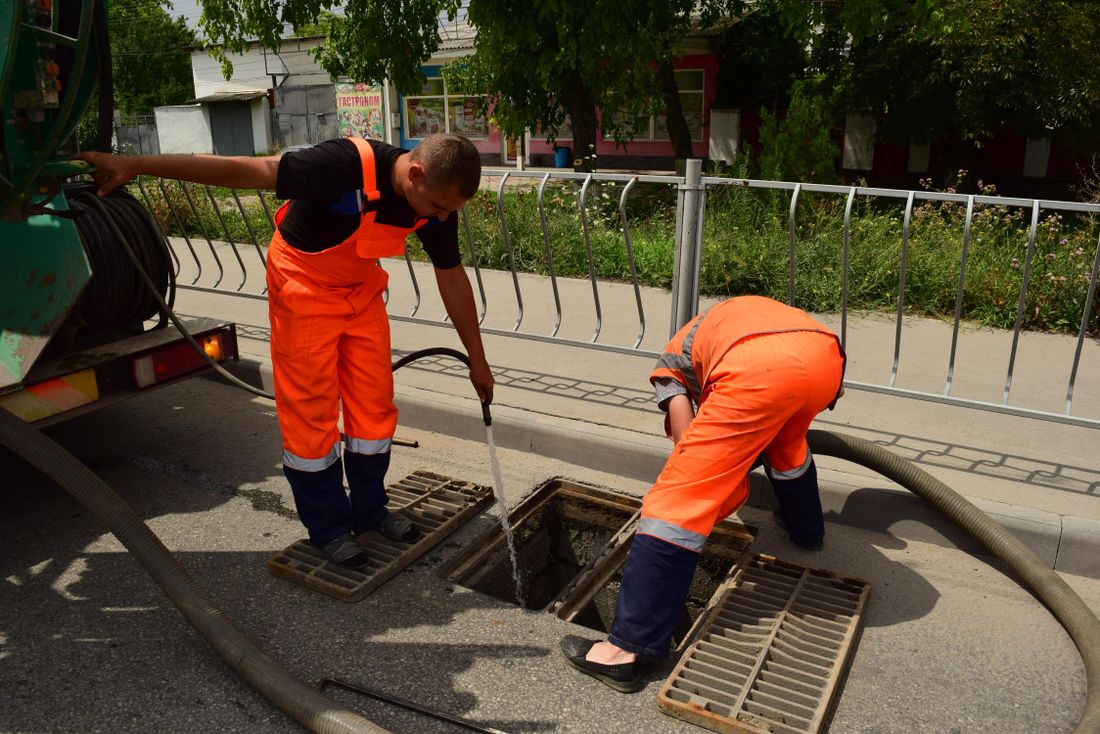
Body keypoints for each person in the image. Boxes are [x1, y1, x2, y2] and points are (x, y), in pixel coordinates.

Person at [78, 134, 494, 571]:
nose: (444, 218)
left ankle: (370, 512)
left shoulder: (437, 202)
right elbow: (247, 169)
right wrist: (138, 165)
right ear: (415, 174)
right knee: (310, 415)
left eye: (450, 211)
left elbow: (452, 278)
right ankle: (329, 528)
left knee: (373, 408)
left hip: (359, 293)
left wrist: (478, 361)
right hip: (304, 288)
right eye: (440, 207)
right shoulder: (342, 165)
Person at [559, 295, 845, 692]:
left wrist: (703, 487)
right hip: (825, 358)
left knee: (674, 503)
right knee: (788, 447)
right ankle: (808, 532)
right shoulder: (721, 323)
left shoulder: (670, 369)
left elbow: (685, 442)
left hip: (758, 368)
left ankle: (622, 653)